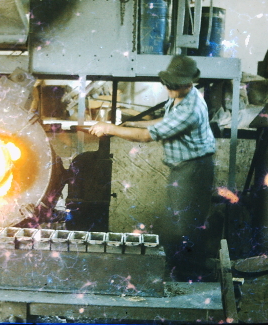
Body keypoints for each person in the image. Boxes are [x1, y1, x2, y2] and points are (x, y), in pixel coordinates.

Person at [89, 55, 216, 281]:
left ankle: (192, 278)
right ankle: (181, 271)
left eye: (174, 85)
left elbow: (146, 136)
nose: (169, 88)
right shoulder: (179, 97)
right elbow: (162, 122)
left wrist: (109, 129)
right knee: (174, 224)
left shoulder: (190, 108)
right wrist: (128, 122)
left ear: (189, 83)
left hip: (194, 169)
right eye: (168, 83)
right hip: (184, 167)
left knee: (185, 227)